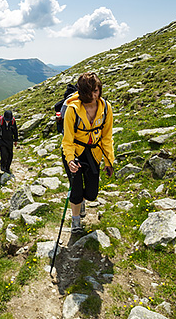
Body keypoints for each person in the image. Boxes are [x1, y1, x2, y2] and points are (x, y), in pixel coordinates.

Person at [61, 72, 114, 234]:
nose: (93, 95)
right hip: (75, 153)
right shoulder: (73, 109)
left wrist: (108, 161)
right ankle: (75, 221)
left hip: (94, 153)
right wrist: (70, 159)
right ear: (82, 92)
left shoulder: (105, 108)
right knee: (76, 191)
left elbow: (107, 136)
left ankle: (82, 201)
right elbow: (67, 139)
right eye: (89, 92)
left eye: (96, 91)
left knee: (91, 194)